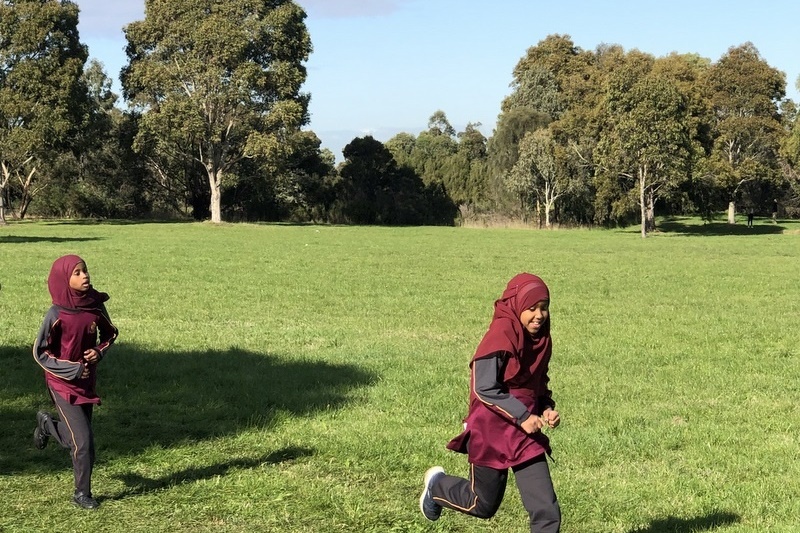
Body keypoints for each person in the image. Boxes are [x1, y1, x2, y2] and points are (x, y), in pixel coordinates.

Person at [419, 273, 561, 532]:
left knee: (547, 510)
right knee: (482, 505)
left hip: (525, 434)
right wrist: (522, 415)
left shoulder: (542, 339)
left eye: (544, 308)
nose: (539, 315)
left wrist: (546, 408)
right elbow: (483, 386)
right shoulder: (502, 333)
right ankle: (436, 486)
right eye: (532, 308)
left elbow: (538, 381)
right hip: (492, 430)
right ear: (517, 305)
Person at [32, 255, 118, 510]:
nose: (85, 276)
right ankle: (82, 494)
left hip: (87, 382)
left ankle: (47, 425)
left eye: (85, 271)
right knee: (84, 441)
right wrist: (72, 368)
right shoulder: (56, 313)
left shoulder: (94, 305)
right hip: (61, 383)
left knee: (78, 439)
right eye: (77, 273)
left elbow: (110, 332)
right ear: (64, 279)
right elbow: (40, 353)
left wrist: (100, 351)